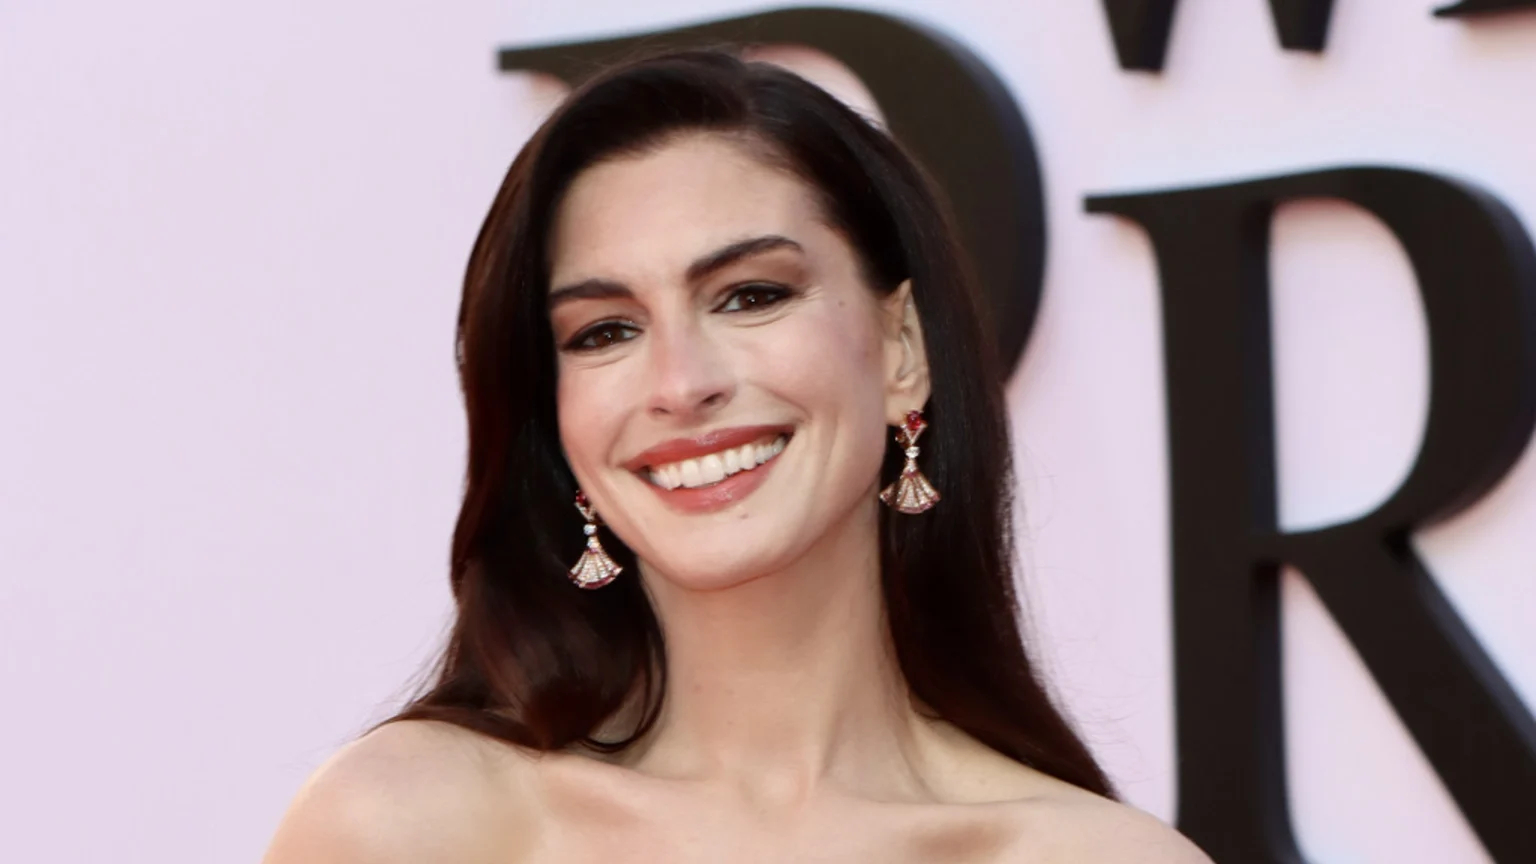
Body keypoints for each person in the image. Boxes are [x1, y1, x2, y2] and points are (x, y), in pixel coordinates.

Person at [262, 49, 1212, 863]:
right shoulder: (413, 827)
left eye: (750, 296)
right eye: (604, 331)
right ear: (552, 418)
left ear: (901, 349)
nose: (681, 382)